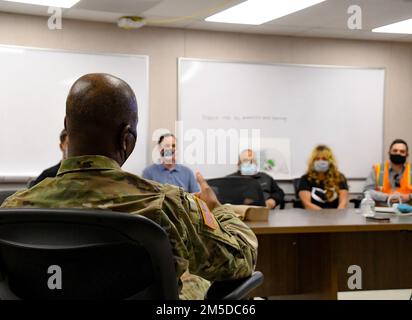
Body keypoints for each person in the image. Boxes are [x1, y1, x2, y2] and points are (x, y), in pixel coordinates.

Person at [1, 73, 257, 300]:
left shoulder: (13, 210)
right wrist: (217, 209)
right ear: (127, 139)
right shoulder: (165, 204)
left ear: (67, 128)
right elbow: (238, 261)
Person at [298, 145, 348, 210]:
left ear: (330, 161)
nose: (320, 161)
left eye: (324, 159)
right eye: (317, 159)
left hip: (335, 217)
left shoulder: (339, 177)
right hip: (313, 217)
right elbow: (307, 204)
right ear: (313, 161)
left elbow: (343, 203)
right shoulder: (305, 179)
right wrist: (323, 216)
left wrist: (336, 216)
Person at [364, 139, 412, 206]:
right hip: (381, 212)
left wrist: (409, 196)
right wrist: (387, 197)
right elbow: (367, 191)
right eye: (395, 151)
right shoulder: (377, 169)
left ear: (407, 155)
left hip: (408, 212)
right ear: (389, 152)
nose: (398, 153)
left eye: (402, 151)